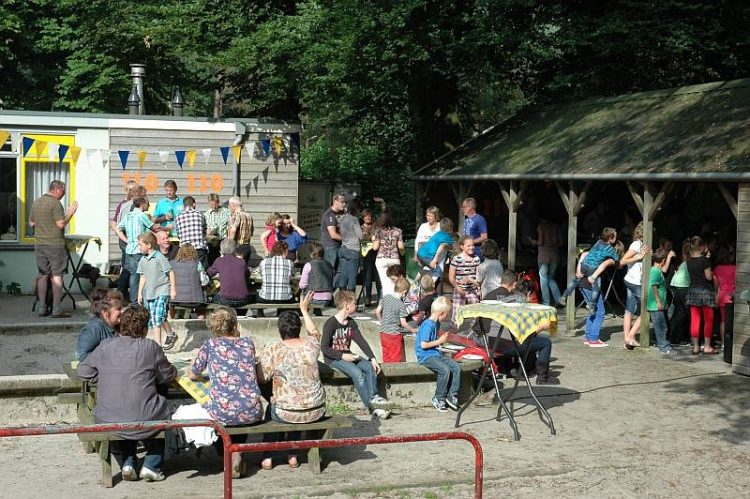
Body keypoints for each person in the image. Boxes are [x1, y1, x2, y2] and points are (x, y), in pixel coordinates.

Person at [77, 305, 177, 482]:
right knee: (157, 409)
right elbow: (166, 375)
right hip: (143, 416)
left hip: (109, 416)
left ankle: (128, 461)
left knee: (127, 410)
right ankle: (151, 465)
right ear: (145, 329)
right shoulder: (150, 347)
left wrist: (102, 375)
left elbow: (83, 371)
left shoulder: (105, 346)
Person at [188, 306, 263, 478]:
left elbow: (193, 374)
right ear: (234, 324)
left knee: (213, 412)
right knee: (239, 410)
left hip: (223, 412)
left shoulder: (210, 345)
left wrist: (191, 365)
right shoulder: (247, 343)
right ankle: (237, 453)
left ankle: (229, 454)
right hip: (251, 410)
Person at [257, 292, 326, 470]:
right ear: (299, 328)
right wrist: (304, 310)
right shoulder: (311, 345)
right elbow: (315, 332)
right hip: (316, 409)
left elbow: (261, 378)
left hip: (285, 412)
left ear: (280, 330)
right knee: (293, 403)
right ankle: (292, 454)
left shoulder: (273, 349)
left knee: (274, 408)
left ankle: (268, 456)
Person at [476, 270, 559, 384]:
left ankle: (517, 368)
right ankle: (542, 377)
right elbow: (523, 334)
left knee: (528, 342)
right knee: (545, 342)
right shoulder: (518, 303)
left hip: (484, 337)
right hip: (499, 342)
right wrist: (541, 327)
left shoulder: (493, 296)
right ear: (528, 293)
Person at [321, 290, 391, 419]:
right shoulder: (330, 323)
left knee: (369, 367)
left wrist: (373, 359)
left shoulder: (351, 323)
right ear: (347, 305)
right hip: (334, 359)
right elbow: (324, 348)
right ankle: (372, 407)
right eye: (354, 303)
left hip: (348, 355)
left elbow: (361, 341)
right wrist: (342, 356)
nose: (356, 305)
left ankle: (374, 399)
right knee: (358, 374)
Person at [29, 180, 78, 318]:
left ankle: (42, 307)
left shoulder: (37, 202)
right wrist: (70, 213)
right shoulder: (56, 203)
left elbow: (32, 223)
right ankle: (56, 309)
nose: (63, 195)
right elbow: (61, 224)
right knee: (57, 276)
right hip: (55, 245)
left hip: (40, 244)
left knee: (43, 275)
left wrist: (44, 224)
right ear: (57, 189)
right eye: (63, 192)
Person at [559, 228, 620, 313]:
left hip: (584, 264)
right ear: (610, 238)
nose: (616, 239)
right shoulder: (610, 249)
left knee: (575, 281)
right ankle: (592, 304)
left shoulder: (598, 242)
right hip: (593, 268)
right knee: (596, 286)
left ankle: (564, 295)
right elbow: (617, 259)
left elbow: (591, 252)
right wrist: (617, 258)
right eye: (615, 237)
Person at [416, 296, 460, 412]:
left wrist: (440, 344)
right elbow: (424, 345)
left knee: (455, 367)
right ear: (442, 313)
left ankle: (452, 395)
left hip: (434, 353)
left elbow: (433, 342)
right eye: (448, 313)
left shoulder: (436, 324)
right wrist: (439, 341)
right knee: (444, 370)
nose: (448, 316)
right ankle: (438, 398)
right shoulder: (428, 325)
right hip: (425, 356)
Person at [136, 232, 178, 350]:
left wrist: (173, 289)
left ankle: (157, 346)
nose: (139, 247)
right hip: (149, 293)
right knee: (159, 317)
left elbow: (170, 272)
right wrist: (139, 293)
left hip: (162, 290)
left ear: (148, 245)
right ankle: (171, 334)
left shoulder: (159, 257)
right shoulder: (143, 260)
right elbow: (143, 276)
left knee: (156, 319)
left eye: (140, 245)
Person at [117, 196, 163, 303]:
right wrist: (167, 228)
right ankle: (138, 301)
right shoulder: (141, 215)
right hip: (139, 250)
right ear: (142, 204)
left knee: (132, 274)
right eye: (147, 203)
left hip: (129, 250)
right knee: (140, 275)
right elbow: (153, 227)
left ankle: (134, 300)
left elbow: (118, 228)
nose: (149, 205)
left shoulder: (128, 215)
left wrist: (127, 240)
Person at [685, 236, 718, 355]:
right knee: (708, 320)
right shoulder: (704, 261)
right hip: (705, 292)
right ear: (702, 246)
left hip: (693, 291)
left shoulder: (689, 261)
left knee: (695, 320)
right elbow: (708, 277)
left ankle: (695, 347)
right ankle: (707, 346)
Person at [621, 222, 651, 349]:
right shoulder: (637, 244)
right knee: (646, 309)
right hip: (635, 282)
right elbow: (623, 261)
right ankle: (630, 336)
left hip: (631, 280)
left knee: (629, 310)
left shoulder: (641, 245)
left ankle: (627, 340)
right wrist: (639, 256)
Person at [75, 288, 124, 362]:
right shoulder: (94, 329)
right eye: (118, 309)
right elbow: (82, 355)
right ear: (105, 313)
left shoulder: (117, 325)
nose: (122, 312)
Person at [375, 277, 416, 363]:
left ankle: (386, 375)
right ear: (404, 292)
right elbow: (403, 323)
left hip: (383, 333)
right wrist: (413, 330)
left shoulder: (386, 297)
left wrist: (382, 322)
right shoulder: (401, 305)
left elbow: (377, 311)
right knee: (395, 360)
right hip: (394, 335)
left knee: (386, 357)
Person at [207, 239, 251, 309]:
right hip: (242, 299)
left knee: (212, 299)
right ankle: (240, 315)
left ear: (221, 249)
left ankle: (221, 317)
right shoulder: (241, 261)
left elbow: (209, 273)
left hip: (226, 300)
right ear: (234, 249)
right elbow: (248, 274)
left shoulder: (219, 260)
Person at [112, 181, 138, 299]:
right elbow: (114, 224)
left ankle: (124, 293)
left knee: (128, 267)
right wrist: (126, 238)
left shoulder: (134, 203)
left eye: (134, 190)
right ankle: (121, 294)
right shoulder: (124, 205)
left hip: (131, 240)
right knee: (129, 268)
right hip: (126, 241)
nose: (132, 192)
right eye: (130, 190)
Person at [448, 236, 481, 326]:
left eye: (472, 245)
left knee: (476, 308)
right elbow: (451, 277)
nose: (471, 247)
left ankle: (474, 329)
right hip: (460, 289)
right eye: (468, 245)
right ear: (462, 246)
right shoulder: (456, 259)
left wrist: (478, 288)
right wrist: (457, 288)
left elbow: (478, 276)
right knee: (457, 312)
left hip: (472, 289)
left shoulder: (476, 259)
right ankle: (453, 330)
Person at [647, 248, 674, 355]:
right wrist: (658, 301)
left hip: (659, 304)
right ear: (662, 260)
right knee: (660, 327)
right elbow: (654, 286)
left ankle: (664, 344)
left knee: (663, 326)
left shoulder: (658, 270)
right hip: (655, 305)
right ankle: (663, 347)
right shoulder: (654, 271)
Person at [373, 208, 404, 297]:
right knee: (395, 283)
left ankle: (387, 305)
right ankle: (396, 303)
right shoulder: (398, 231)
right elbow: (401, 247)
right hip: (394, 259)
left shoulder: (379, 231)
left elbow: (375, 247)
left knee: (385, 283)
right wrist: (402, 252)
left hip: (381, 259)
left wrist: (374, 240)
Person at [532, 218, 563, 307]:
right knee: (550, 278)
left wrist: (534, 242)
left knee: (543, 280)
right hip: (554, 256)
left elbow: (541, 241)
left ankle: (546, 303)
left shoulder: (541, 227)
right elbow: (561, 243)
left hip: (543, 256)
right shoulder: (557, 227)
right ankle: (558, 299)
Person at [170, 243, 207, 317]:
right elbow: (204, 281)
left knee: (170, 306)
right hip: (194, 300)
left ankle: (170, 321)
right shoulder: (197, 263)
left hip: (176, 299)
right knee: (202, 308)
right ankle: (201, 324)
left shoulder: (171, 264)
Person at [299, 242, 334, 315]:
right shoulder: (329, 264)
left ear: (311, 254)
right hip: (328, 298)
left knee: (302, 295)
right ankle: (318, 315)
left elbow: (302, 285)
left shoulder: (308, 265)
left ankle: (304, 317)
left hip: (313, 298)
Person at [335, 200, 363, 291]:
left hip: (343, 248)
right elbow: (360, 235)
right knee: (352, 277)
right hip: (353, 249)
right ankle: (351, 300)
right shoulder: (354, 219)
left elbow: (340, 232)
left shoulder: (342, 218)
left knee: (343, 275)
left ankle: (342, 299)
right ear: (356, 209)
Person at [257, 241, 295, 307]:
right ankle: (281, 313)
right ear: (285, 251)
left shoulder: (264, 262)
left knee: (255, 294)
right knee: (292, 293)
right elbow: (292, 275)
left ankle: (260, 313)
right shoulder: (290, 263)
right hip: (285, 298)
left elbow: (260, 275)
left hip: (265, 297)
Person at [668, 238, 692, 345]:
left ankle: (674, 336)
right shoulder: (690, 261)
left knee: (678, 312)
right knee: (683, 313)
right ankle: (678, 337)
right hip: (683, 286)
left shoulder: (685, 260)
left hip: (677, 284)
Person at [174, 196, 208, 268]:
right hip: (199, 248)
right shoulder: (201, 214)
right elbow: (204, 232)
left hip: (184, 249)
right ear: (194, 204)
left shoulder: (178, 216)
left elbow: (179, 234)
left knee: (187, 270)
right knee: (201, 272)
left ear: (184, 206)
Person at [714, 245, 736, 348]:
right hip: (732, 296)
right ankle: (732, 342)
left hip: (722, 296)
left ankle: (723, 343)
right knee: (733, 321)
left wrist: (716, 297)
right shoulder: (735, 268)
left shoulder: (717, 269)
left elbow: (716, 285)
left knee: (723, 320)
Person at [360, 209, 381, 307]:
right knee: (367, 278)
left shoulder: (376, 227)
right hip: (365, 256)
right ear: (363, 217)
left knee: (378, 278)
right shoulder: (360, 228)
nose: (368, 218)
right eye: (366, 216)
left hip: (376, 254)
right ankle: (367, 299)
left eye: (369, 216)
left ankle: (380, 299)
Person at [320, 193, 346, 270]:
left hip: (339, 246)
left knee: (339, 271)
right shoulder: (329, 215)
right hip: (331, 247)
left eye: (345, 202)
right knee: (330, 270)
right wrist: (348, 239)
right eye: (342, 202)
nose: (344, 204)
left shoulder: (342, 214)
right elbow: (333, 235)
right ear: (335, 201)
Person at [227, 196, 254, 264]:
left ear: (233, 204)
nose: (229, 207)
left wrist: (229, 245)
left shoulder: (236, 215)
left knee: (235, 271)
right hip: (247, 247)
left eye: (229, 205)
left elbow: (233, 230)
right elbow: (252, 232)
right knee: (243, 271)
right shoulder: (249, 215)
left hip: (238, 247)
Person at [205, 193, 230, 264]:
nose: (213, 206)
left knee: (225, 260)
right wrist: (208, 231)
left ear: (218, 202)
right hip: (212, 240)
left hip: (223, 239)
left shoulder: (226, 212)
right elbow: (205, 228)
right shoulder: (206, 214)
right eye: (211, 204)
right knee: (212, 261)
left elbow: (230, 225)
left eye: (215, 204)